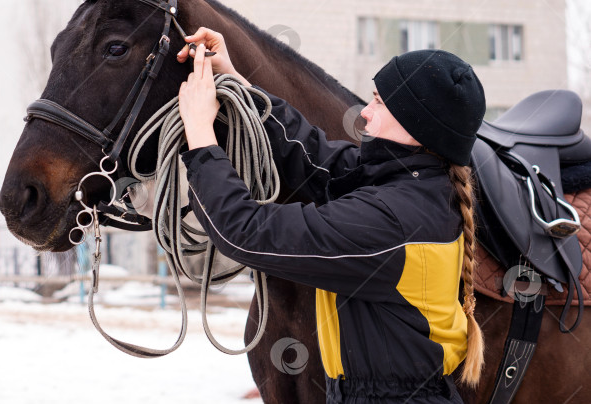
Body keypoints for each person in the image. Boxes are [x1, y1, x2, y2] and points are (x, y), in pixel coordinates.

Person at [175, 27, 486, 404]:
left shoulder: (390, 219)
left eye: (379, 103)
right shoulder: (415, 185)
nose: (365, 115)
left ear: (417, 126)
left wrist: (199, 132)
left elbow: (244, 232)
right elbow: (314, 157)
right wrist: (238, 81)